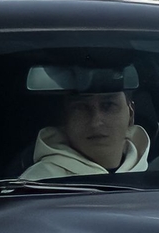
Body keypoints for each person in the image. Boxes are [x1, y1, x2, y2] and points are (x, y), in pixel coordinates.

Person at [21, 70, 151, 178]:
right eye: (81, 108)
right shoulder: (34, 185)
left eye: (108, 105)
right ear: (64, 119)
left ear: (131, 114)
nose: (96, 122)